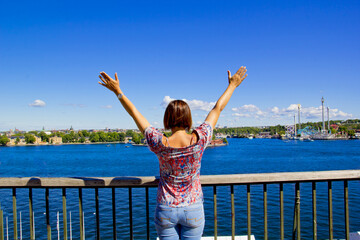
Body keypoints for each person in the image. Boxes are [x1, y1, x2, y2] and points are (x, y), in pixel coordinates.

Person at [98, 66, 248, 240]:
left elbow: (135, 114)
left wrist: (118, 92)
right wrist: (232, 86)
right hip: (193, 208)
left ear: (167, 120)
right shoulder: (199, 139)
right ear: (188, 119)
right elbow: (217, 109)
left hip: (166, 209)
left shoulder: (159, 142)